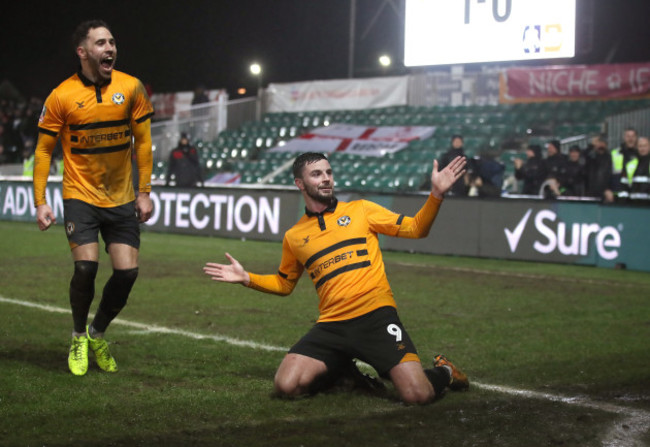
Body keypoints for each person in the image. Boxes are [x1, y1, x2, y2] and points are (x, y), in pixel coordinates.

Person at [203, 152, 469, 405]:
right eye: (317, 174)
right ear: (300, 183)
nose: (326, 178)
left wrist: (436, 194)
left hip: (376, 316)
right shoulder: (294, 236)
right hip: (332, 325)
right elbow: (284, 284)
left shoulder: (361, 210)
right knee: (287, 385)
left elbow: (415, 228)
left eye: (328, 172)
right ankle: (344, 372)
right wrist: (247, 278)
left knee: (417, 395)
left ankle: (445, 371)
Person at [33, 20, 154, 376]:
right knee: (85, 268)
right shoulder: (61, 96)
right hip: (80, 195)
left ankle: (97, 332)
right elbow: (43, 152)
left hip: (121, 197)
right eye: (101, 43)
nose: (110, 48)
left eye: (113, 42)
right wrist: (40, 201)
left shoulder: (131, 87)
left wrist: (144, 192)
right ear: (83, 52)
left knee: (127, 273)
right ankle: (77, 336)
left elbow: (144, 143)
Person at [584, 136, 614, 202]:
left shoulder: (610, 157)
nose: (601, 145)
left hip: (605, 193)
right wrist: (591, 146)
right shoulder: (590, 157)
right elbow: (583, 157)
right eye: (599, 142)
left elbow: (611, 176)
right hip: (590, 193)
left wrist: (609, 189)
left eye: (603, 143)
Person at [611, 127, 638, 200]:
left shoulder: (641, 154)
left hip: (636, 193)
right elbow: (607, 173)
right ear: (624, 138)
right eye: (628, 136)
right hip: (618, 192)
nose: (630, 139)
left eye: (633, 136)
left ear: (636, 138)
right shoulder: (615, 153)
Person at [623, 136, 650, 203]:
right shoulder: (630, 165)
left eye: (645, 146)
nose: (642, 148)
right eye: (640, 146)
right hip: (633, 204)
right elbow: (625, 185)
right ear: (637, 148)